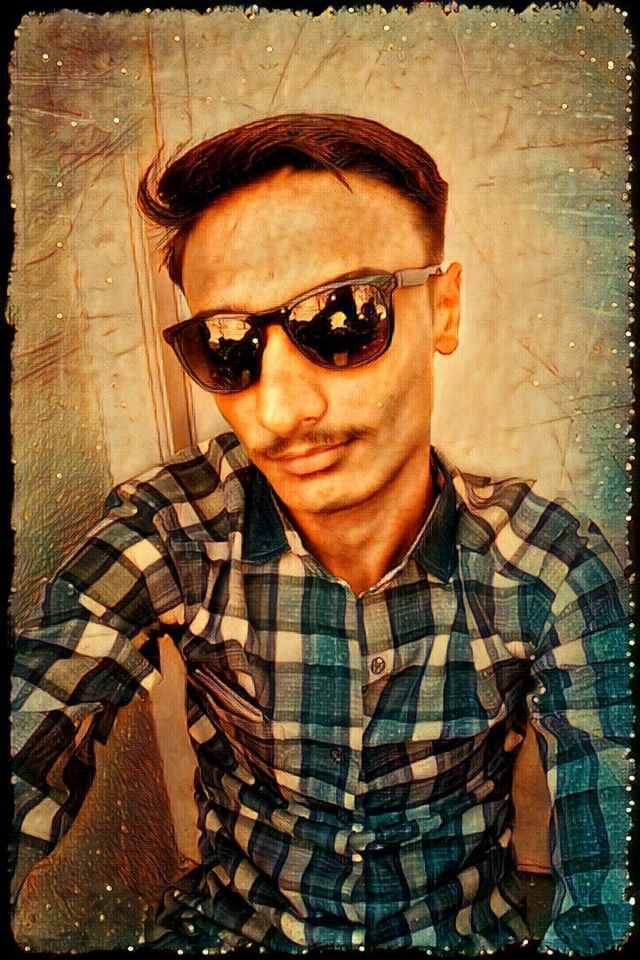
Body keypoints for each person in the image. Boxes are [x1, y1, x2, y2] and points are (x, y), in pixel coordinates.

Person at [11, 113, 632, 954]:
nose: (280, 410)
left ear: (443, 309)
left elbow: (614, 884)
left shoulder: (553, 570)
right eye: (228, 346)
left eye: (344, 317)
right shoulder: (173, 531)